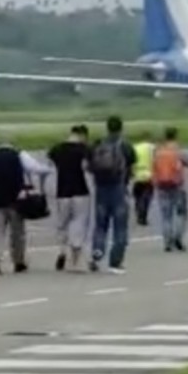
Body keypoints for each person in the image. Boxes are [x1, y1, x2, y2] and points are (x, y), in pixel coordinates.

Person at [0, 133, 51, 275]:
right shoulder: (20, 155)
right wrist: (49, 169)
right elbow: (36, 169)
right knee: (17, 233)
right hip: (16, 200)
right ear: (13, 144)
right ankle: (18, 262)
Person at [88, 115, 137, 274]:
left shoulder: (97, 144)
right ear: (121, 128)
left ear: (107, 127)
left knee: (101, 225)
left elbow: (89, 166)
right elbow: (131, 167)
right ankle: (115, 262)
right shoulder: (126, 146)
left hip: (101, 189)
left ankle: (97, 251)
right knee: (120, 228)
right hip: (119, 189)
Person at [47, 125, 91, 272]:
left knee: (62, 224)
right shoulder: (83, 149)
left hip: (62, 191)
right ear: (82, 135)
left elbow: (51, 164)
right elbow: (86, 168)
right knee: (78, 222)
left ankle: (61, 252)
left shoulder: (57, 149)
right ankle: (75, 257)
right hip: (80, 190)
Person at [151, 126, 188, 252]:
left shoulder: (158, 151)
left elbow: (154, 167)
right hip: (178, 186)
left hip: (162, 186)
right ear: (176, 136)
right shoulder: (179, 152)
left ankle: (167, 242)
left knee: (166, 215)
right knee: (181, 213)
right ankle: (178, 236)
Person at [131, 131, 155, 226]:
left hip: (138, 175)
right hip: (149, 175)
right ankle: (143, 216)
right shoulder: (152, 148)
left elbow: (132, 161)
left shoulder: (135, 147)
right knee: (147, 198)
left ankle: (138, 212)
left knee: (137, 196)